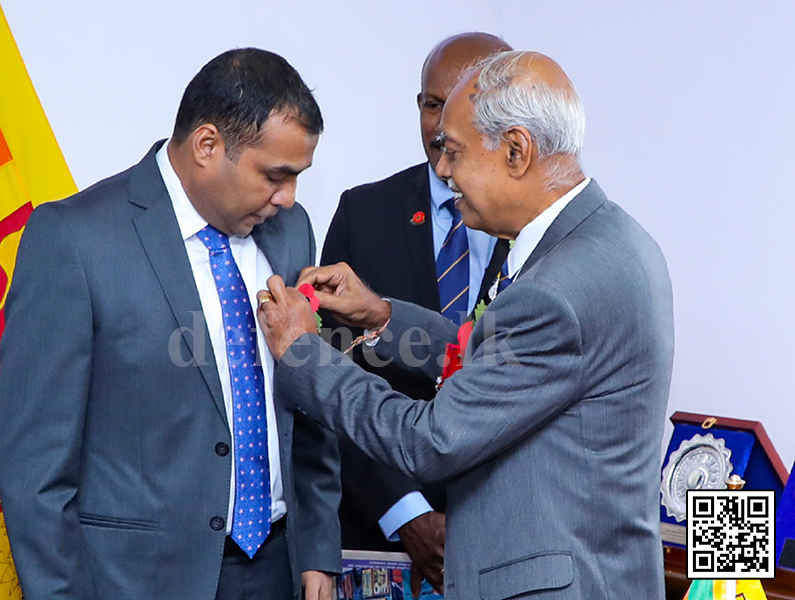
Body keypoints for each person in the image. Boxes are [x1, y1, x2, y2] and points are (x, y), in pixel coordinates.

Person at [257, 50, 674, 599]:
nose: (443, 170)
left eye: (453, 151)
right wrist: (382, 315)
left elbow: (429, 440)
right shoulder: (613, 239)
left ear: (516, 151)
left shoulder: (557, 290)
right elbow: (501, 357)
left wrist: (302, 353)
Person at [0, 48, 340, 600]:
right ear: (207, 146)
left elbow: (306, 402)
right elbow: (34, 468)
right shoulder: (74, 240)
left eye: (298, 177)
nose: (289, 197)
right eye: (276, 175)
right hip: (134, 581)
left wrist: (319, 548)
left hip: (278, 568)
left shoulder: (291, 232)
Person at [320, 33, 512, 595]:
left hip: (502, 542)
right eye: (431, 105)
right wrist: (406, 513)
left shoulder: (538, 233)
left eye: (457, 107)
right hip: (376, 543)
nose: (439, 127)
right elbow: (327, 378)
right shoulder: (365, 212)